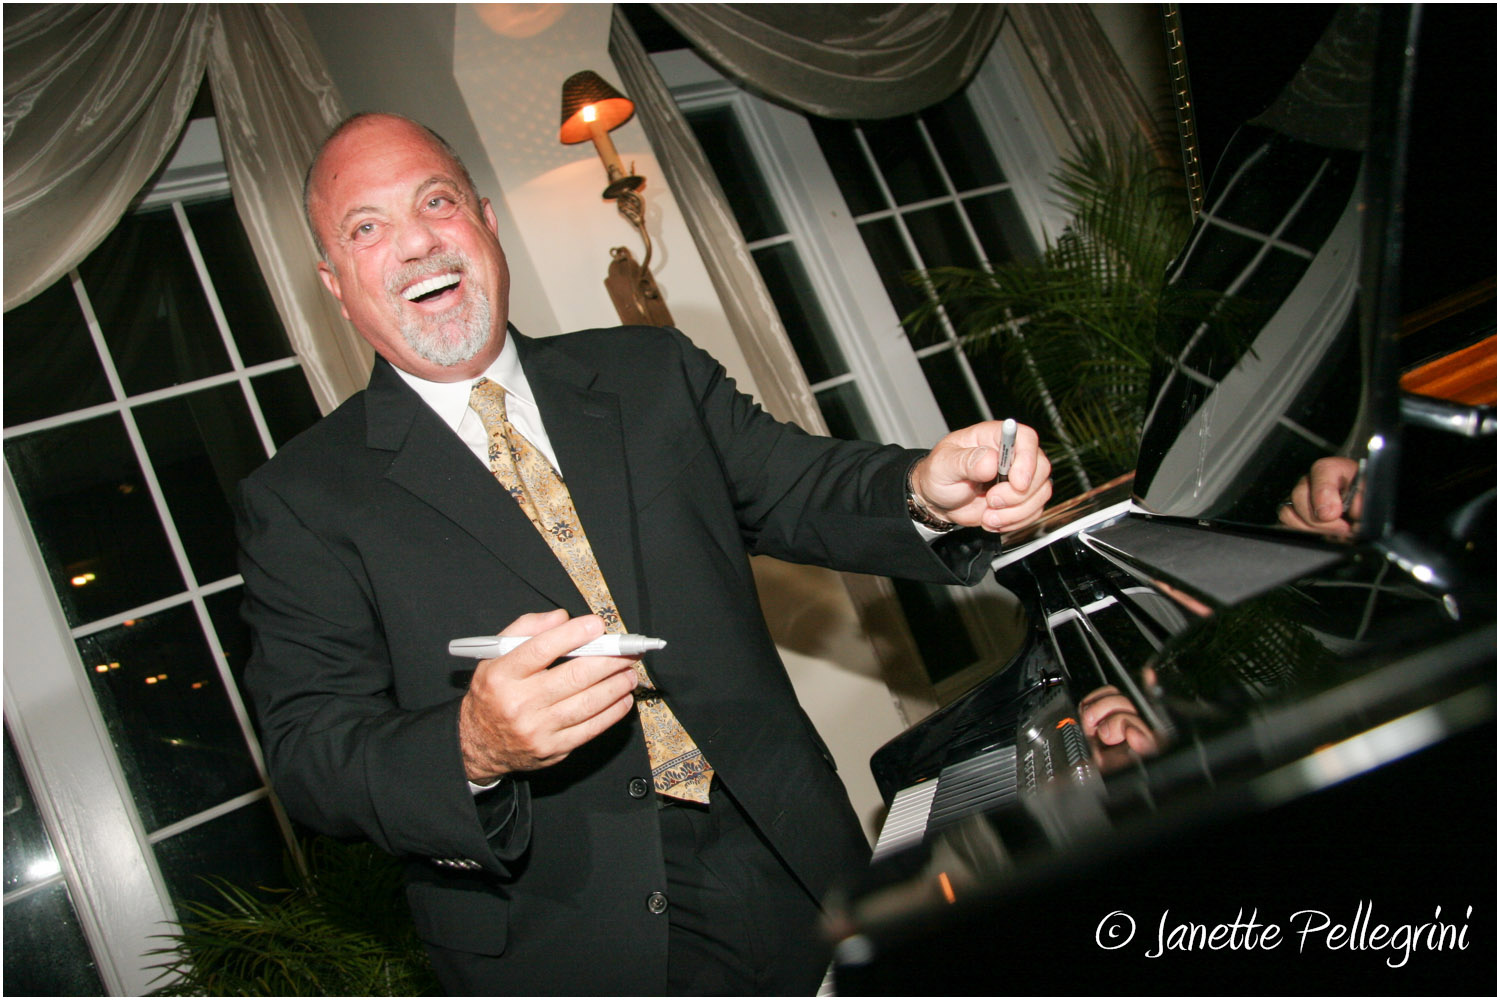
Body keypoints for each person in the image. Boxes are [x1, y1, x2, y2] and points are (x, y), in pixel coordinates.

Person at [237, 112, 1052, 995]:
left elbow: (800, 484)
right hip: (568, 939)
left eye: (436, 202)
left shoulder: (652, 372)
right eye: (367, 227)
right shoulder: (301, 500)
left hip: (797, 853)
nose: (416, 243)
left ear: (485, 220)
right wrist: (471, 746)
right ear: (336, 284)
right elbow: (309, 753)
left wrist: (924, 490)